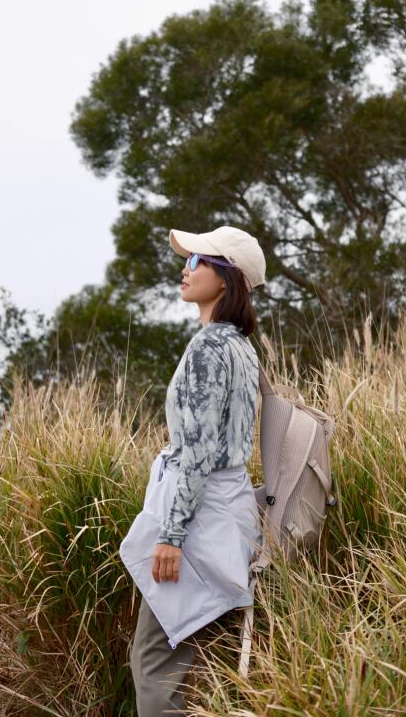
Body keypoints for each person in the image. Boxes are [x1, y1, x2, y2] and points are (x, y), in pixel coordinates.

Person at [124, 225, 266, 716]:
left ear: (226, 278)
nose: (184, 270)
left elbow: (200, 452)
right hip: (228, 512)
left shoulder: (209, 348)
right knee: (185, 662)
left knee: (152, 659)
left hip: (200, 519)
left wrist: (172, 534)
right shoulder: (241, 346)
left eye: (196, 261)